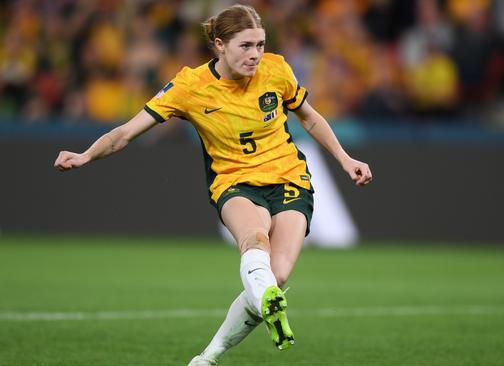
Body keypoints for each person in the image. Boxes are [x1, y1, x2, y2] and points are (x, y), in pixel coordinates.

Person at [53, 4, 372, 366]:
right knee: (254, 239)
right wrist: (85, 155)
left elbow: (310, 119)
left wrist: (346, 159)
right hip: (234, 183)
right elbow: (126, 132)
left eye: (260, 44)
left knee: (276, 277)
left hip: (289, 179)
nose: (255, 55)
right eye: (246, 46)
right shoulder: (190, 86)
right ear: (220, 45)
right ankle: (251, 313)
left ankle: (209, 355)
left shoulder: (276, 70)